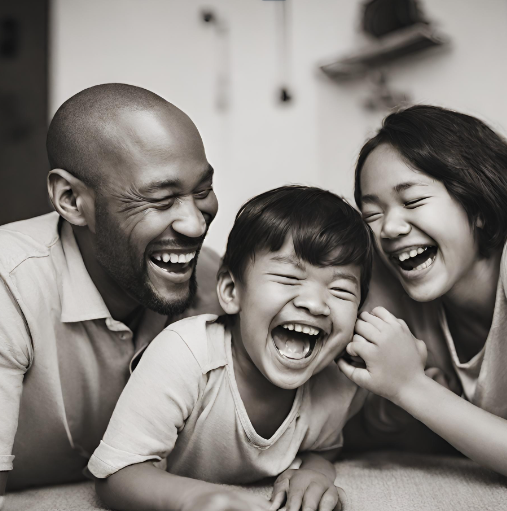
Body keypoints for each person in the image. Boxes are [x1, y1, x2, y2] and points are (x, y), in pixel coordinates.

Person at [87, 186, 373, 511]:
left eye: (340, 290)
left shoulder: (335, 385)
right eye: (289, 278)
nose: (315, 303)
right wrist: (198, 498)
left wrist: (316, 473)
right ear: (230, 291)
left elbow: (322, 447)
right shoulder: (185, 354)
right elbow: (116, 475)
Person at [0, 84, 223, 493]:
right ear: (71, 200)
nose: (195, 224)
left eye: (203, 191)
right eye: (160, 199)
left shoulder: (213, 280)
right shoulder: (9, 285)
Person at [339, 105, 507, 496]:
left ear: (475, 202)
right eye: (371, 214)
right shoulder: (396, 289)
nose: (388, 228)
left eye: (412, 201)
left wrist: (411, 388)